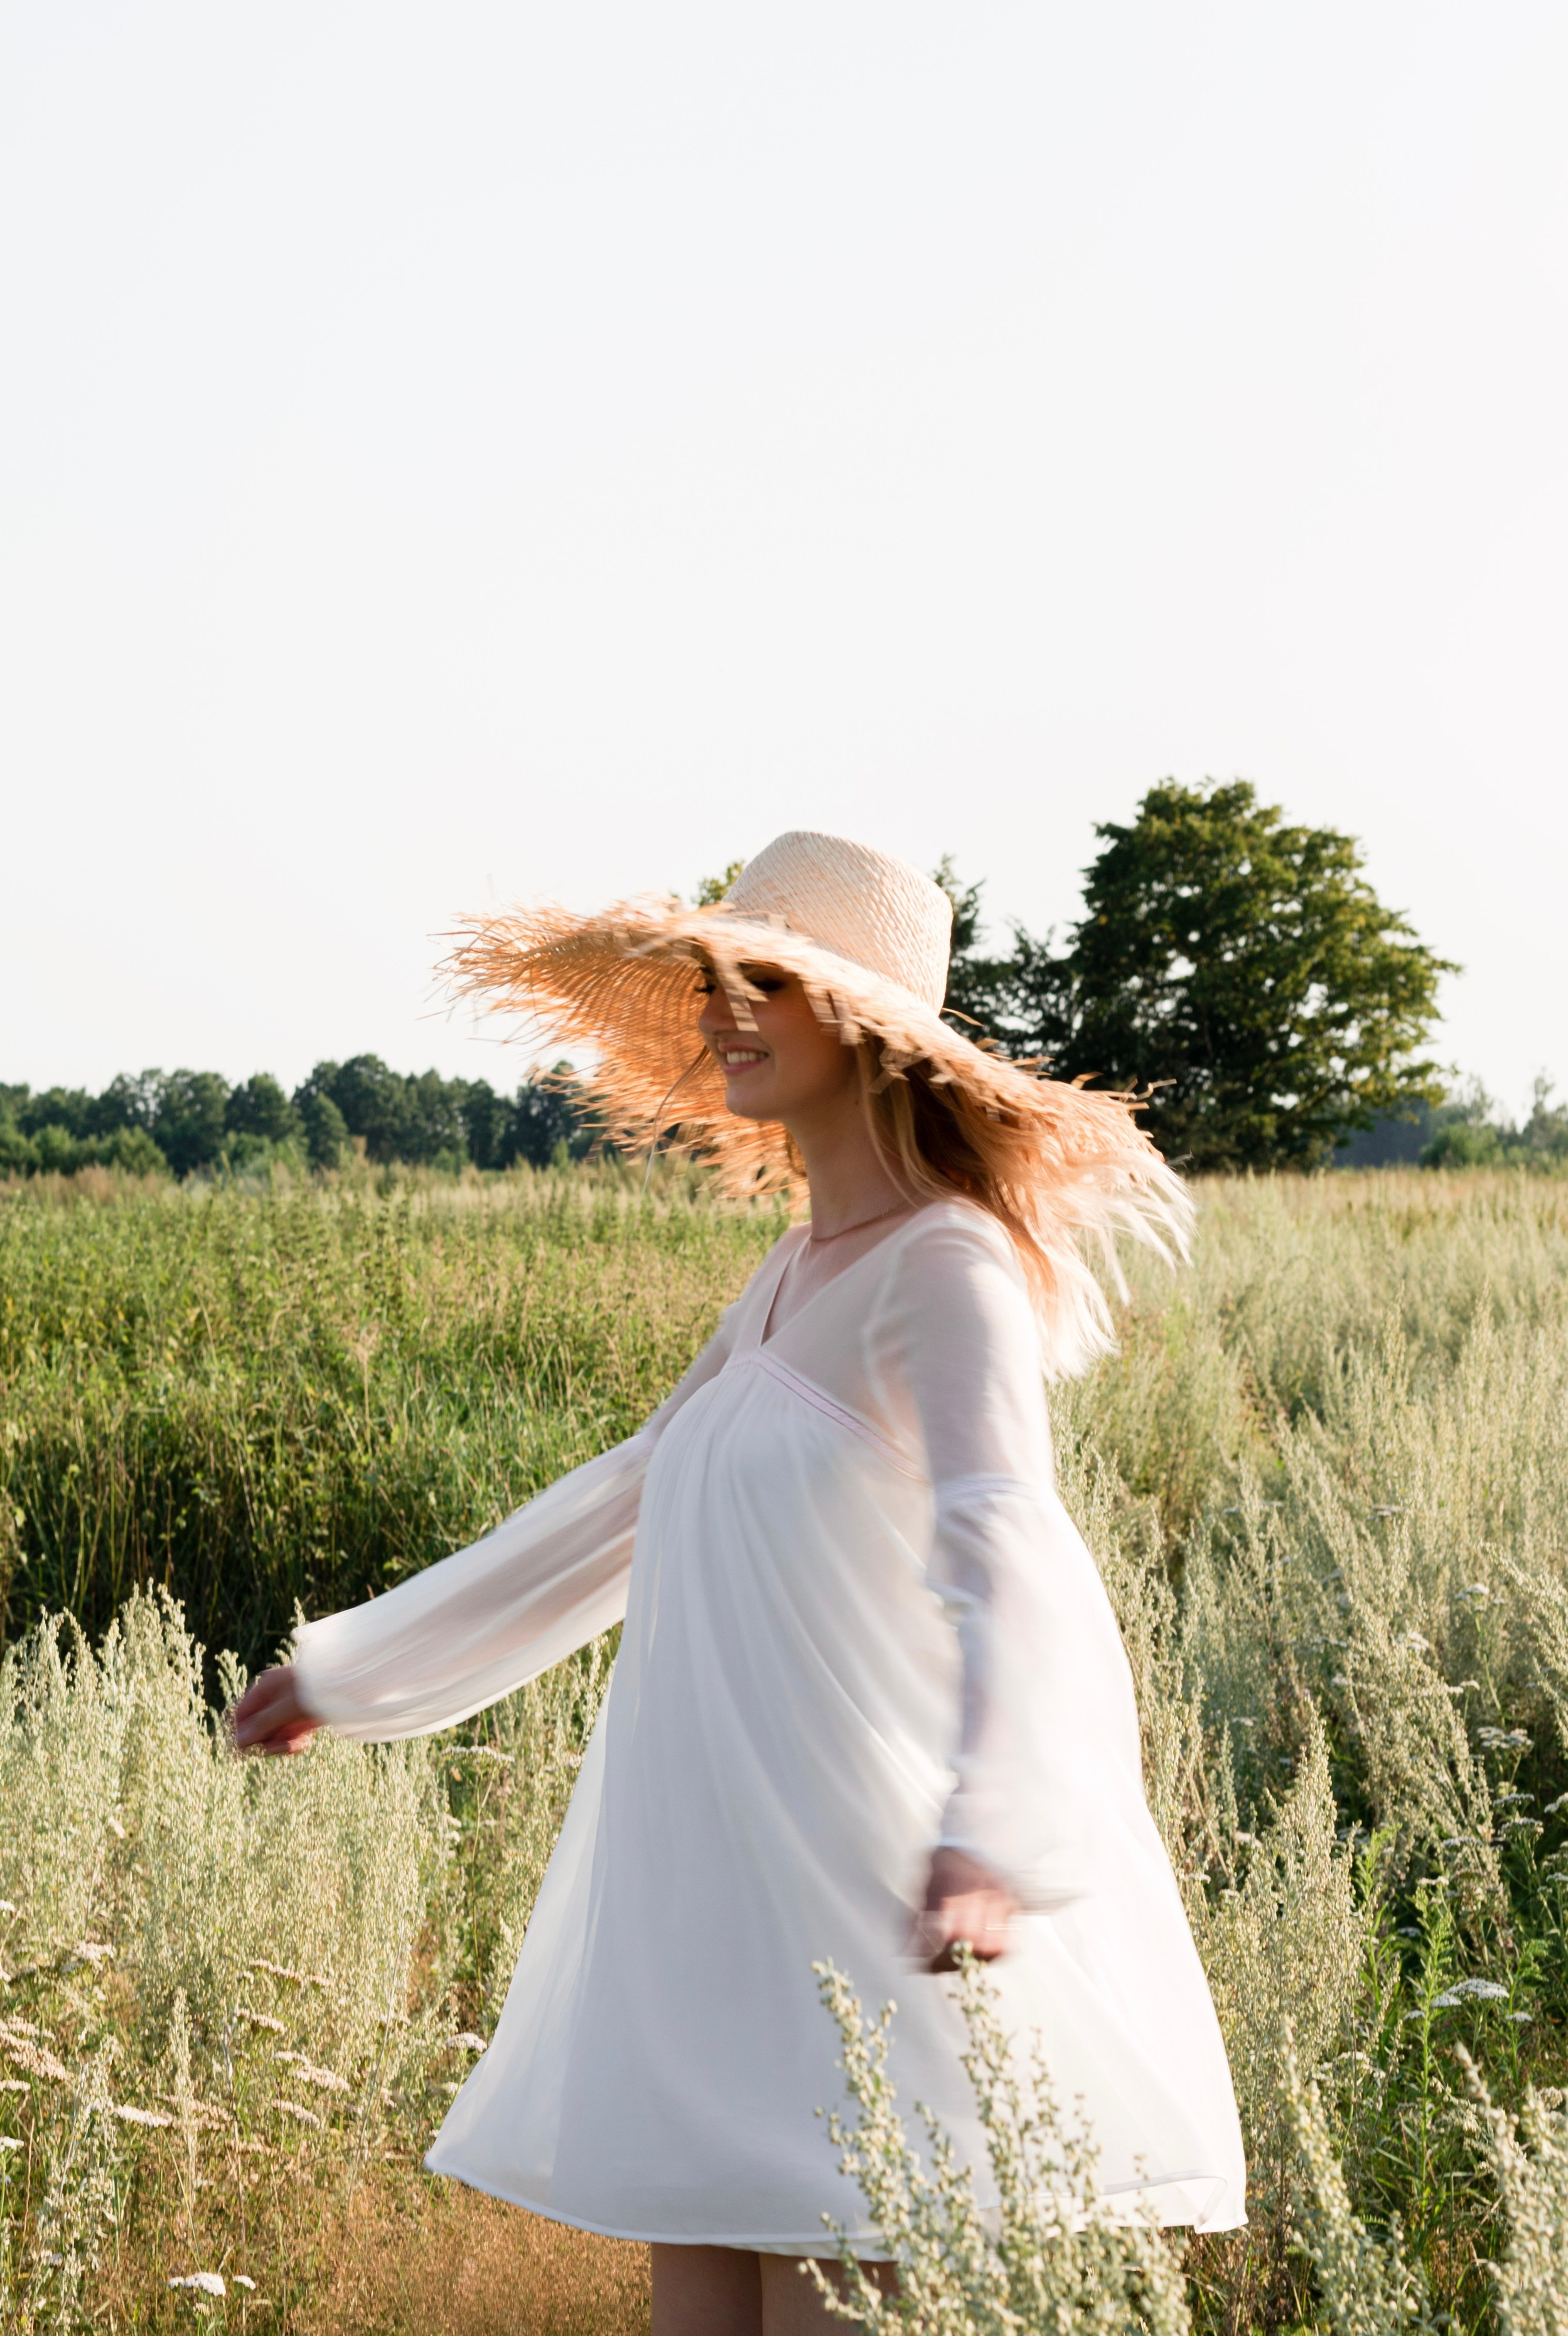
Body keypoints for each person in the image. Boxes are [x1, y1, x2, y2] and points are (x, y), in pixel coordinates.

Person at [234, 831, 1245, 2334]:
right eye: (714, 977)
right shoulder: (789, 1274)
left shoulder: (943, 1266)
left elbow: (1006, 1543)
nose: (720, 1010)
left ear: (870, 1026)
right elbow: (620, 1508)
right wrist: (354, 1671)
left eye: (764, 980)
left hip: (866, 1883)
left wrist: (994, 1833)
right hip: (719, 1884)